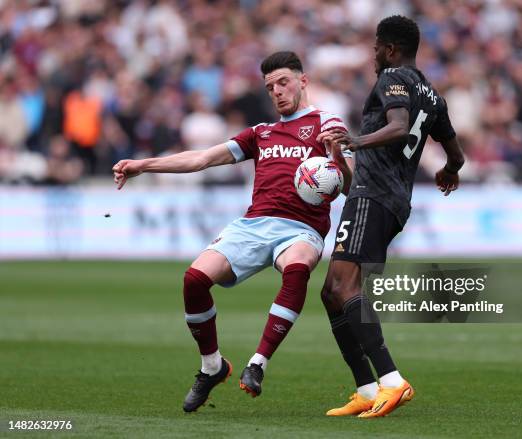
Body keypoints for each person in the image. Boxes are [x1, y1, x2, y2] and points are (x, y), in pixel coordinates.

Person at [112, 51, 352, 412]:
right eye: (270, 87)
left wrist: (339, 163)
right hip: (253, 225)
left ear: (303, 81)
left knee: (298, 267)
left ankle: (258, 363)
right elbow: (202, 158)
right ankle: (211, 367)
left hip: (301, 229)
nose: (277, 91)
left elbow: (350, 184)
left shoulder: (326, 123)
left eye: (284, 82)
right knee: (194, 279)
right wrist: (142, 165)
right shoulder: (261, 133)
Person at [318, 15, 465, 418]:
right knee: (332, 291)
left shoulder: (392, 77)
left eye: (376, 48)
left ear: (391, 49)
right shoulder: (434, 97)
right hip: (394, 200)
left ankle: (392, 380)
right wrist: (449, 171)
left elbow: (399, 126)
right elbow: (457, 155)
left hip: (374, 196)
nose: (374, 55)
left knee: (346, 286)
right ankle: (366, 388)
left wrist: (357, 141)